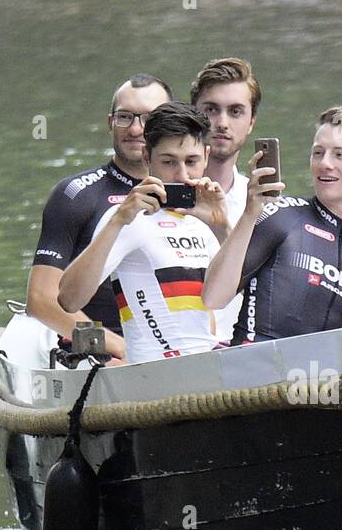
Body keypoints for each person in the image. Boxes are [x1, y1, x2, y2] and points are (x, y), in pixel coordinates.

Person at [203, 103, 342, 343]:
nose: (325, 163)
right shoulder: (281, 216)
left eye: (340, 154)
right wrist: (250, 214)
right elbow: (213, 298)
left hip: (315, 379)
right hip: (252, 373)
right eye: (318, 152)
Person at [56, 103, 229, 363]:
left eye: (191, 161)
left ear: (206, 156)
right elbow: (69, 300)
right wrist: (117, 221)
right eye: (169, 162)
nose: (182, 175)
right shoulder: (128, 218)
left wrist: (223, 227)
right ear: (147, 157)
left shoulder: (205, 222)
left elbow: (231, 299)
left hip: (205, 367)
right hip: (152, 374)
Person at [26, 74, 173, 358]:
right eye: (125, 117)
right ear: (110, 123)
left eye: (148, 118)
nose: (135, 129)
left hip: (177, 349)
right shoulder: (75, 195)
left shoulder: (193, 194)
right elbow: (40, 301)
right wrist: (120, 349)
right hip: (102, 353)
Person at [190, 57, 262, 342]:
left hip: (237, 356)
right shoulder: (157, 196)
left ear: (251, 122)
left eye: (235, 111)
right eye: (211, 110)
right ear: (193, 114)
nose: (221, 123)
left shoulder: (266, 205)